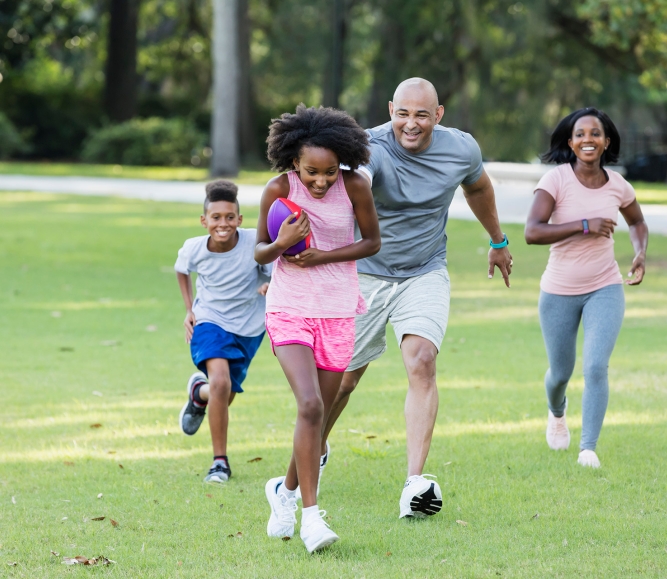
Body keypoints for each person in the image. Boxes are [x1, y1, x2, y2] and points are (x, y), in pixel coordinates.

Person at [320, 77, 513, 519]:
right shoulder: (367, 147)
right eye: (403, 113)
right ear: (390, 109)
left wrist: (498, 240)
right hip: (365, 275)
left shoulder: (461, 149)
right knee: (344, 380)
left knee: (422, 360)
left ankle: (415, 483)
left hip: (424, 271)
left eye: (422, 114)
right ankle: (316, 445)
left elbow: (479, 187)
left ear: (438, 115)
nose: (411, 123)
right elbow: (356, 184)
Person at [255, 105, 380, 553]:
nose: (321, 182)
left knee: (320, 417)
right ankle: (311, 519)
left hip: (338, 309)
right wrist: (282, 244)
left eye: (329, 172)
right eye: (312, 172)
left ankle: (283, 491)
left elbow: (372, 242)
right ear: (294, 163)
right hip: (289, 308)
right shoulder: (278, 189)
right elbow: (259, 254)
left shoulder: (356, 186)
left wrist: (322, 256)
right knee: (309, 405)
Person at [525, 107, 648, 468]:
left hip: (605, 286)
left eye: (595, 133)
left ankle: (588, 448)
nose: (588, 140)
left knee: (596, 366)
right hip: (558, 290)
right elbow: (532, 231)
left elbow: (637, 221)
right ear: (571, 142)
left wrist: (640, 252)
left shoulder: (618, 185)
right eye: (580, 134)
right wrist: (584, 224)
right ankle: (556, 411)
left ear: (607, 141)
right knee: (560, 373)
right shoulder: (556, 181)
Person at [176, 180, 270, 483]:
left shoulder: (255, 241)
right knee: (220, 382)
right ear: (204, 221)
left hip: (249, 328)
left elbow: (276, 270)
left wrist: (271, 285)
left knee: (223, 392)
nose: (223, 223)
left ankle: (198, 394)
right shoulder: (194, 247)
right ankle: (219, 463)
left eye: (230, 217)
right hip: (210, 321)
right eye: (215, 217)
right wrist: (190, 309)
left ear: (240, 220)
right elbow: (182, 270)